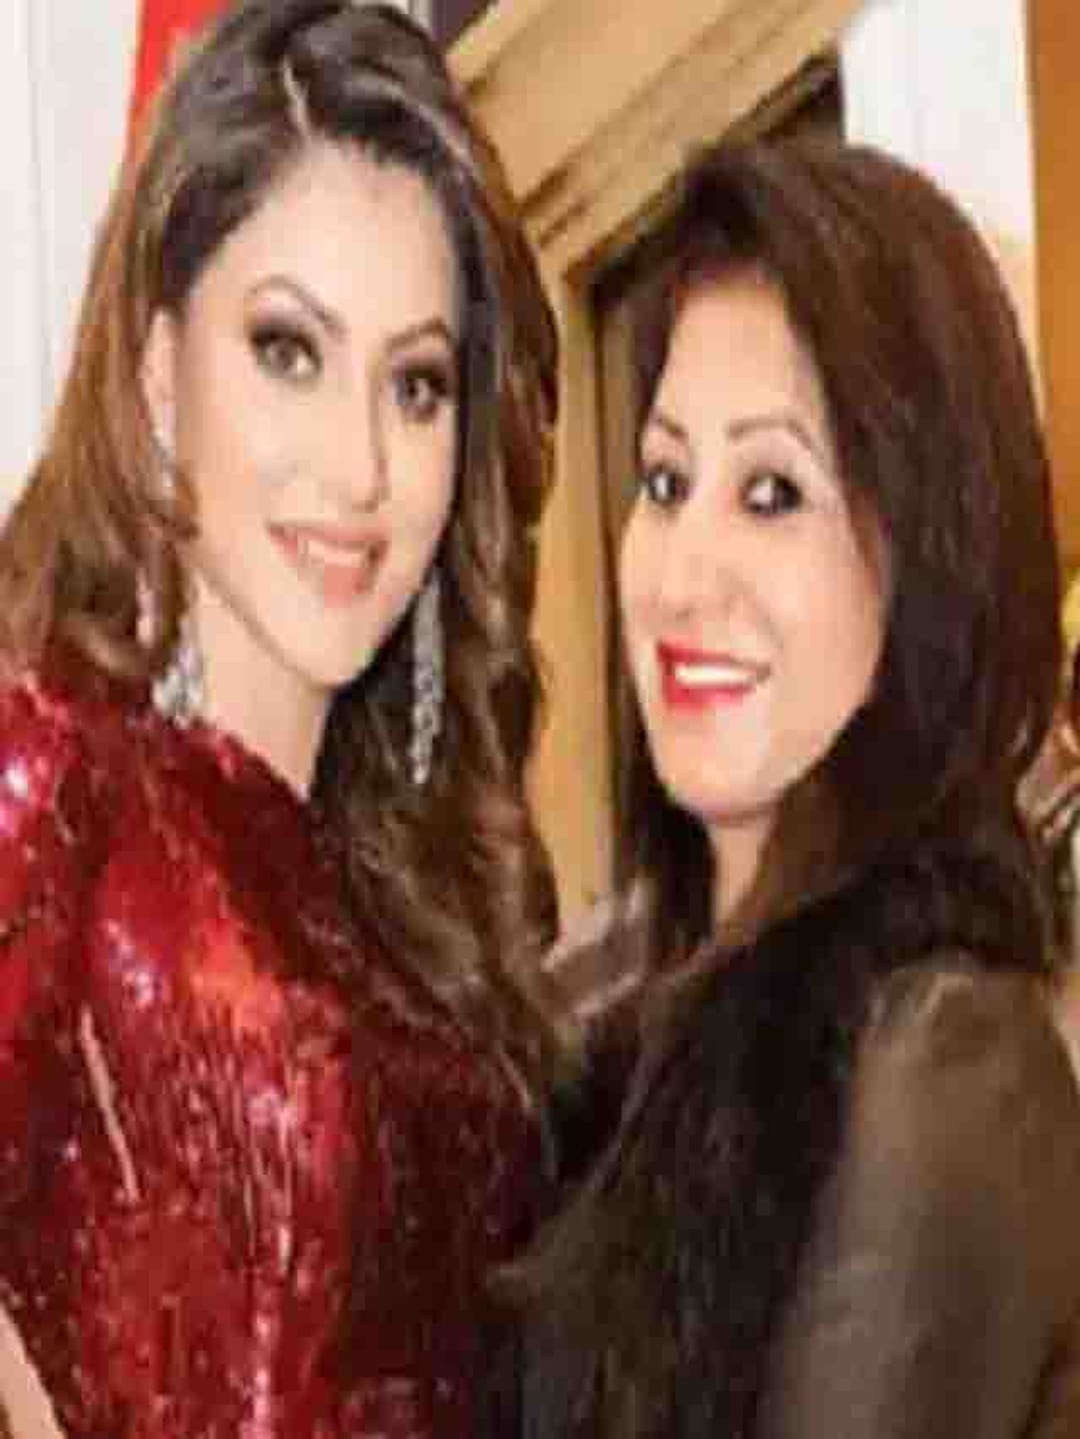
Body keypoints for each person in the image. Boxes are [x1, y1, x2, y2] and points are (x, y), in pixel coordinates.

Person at [0, 1, 559, 1435]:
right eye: (289, 350)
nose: (359, 465)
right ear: (158, 370)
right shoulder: (52, 778)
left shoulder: (427, 898)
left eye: (415, 385)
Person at [514, 138, 1080, 1439]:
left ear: (925, 550)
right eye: (666, 482)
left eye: (772, 492)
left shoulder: (938, 1061)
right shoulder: (618, 1034)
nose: (681, 575)